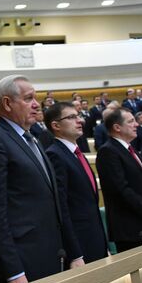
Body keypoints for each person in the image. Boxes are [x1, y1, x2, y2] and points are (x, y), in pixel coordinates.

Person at [0, 75, 82, 283]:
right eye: (28, 98)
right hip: (22, 263)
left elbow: (54, 201)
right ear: (7, 103)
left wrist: (73, 252)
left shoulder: (34, 139)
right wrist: (13, 271)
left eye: (36, 98)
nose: (35, 104)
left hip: (50, 254)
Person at [95, 108, 142, 253]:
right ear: (117, 127)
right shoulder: (108, 151)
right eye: (131, 121)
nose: (137, 125)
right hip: (131, 228)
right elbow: (121, 189)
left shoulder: (131, 149)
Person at [44, 102, 108, 263]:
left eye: (78, 116)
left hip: (95, 240)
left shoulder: (76, 153)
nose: (80, 121)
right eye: (72, 117)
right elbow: (62, 208)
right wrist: (75, 254)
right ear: (56, 125)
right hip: (80, 246)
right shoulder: (55, 155)